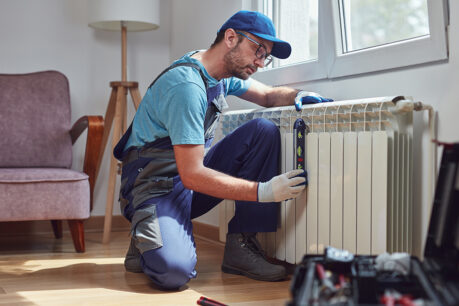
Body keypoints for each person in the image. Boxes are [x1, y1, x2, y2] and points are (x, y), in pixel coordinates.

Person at [113, 10, 332, 290]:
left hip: (185, 183)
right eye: (258, 50)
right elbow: (193, 175)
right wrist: (263, 192)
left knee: (262, 131)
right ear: (231, 38)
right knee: (173, 273)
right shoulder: (186, 86)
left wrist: (297, 95)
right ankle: (145, 236)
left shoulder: (219, 75)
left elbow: (266, 95)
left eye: (266, 56)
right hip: (154, 188)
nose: (261, 62)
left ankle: (241, 246)